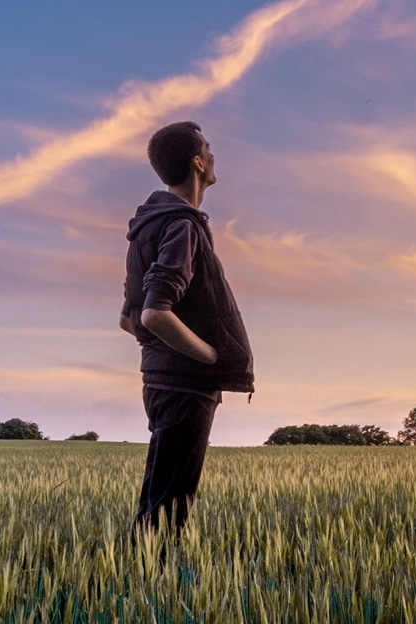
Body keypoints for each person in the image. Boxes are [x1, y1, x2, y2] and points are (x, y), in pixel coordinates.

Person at [119, 121, 255, 539]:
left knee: (158, 501)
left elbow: (128, 317)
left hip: (161, 381)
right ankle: (148, 595)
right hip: (185, 385)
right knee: (169, 510)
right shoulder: (182, 225)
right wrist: (210, 357)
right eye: (209, 149)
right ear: (198, 162)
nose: (214, 156)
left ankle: (138, 585)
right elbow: (153, 315)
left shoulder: (148, 226)